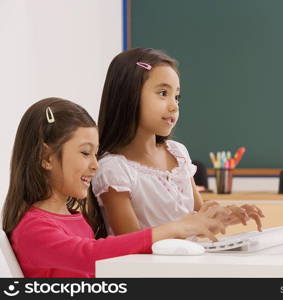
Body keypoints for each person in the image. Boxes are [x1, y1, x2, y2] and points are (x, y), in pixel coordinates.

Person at [1, 98, 226, 278]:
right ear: (46, 157)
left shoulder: (75, 219)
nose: (95, 165)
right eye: (84, 153)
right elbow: (89, 255)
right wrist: (176, 228)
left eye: (95, 153)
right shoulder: (33, 228)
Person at [92, 47, 264, 236]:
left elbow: (199, 218)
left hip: (187, 262)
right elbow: (131, 242)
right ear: (129, 95)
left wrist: (229, 214)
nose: (174, 106)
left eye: (177, 97)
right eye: (163, 93)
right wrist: (191, 225)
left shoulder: (177, 153)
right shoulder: (113, 170)